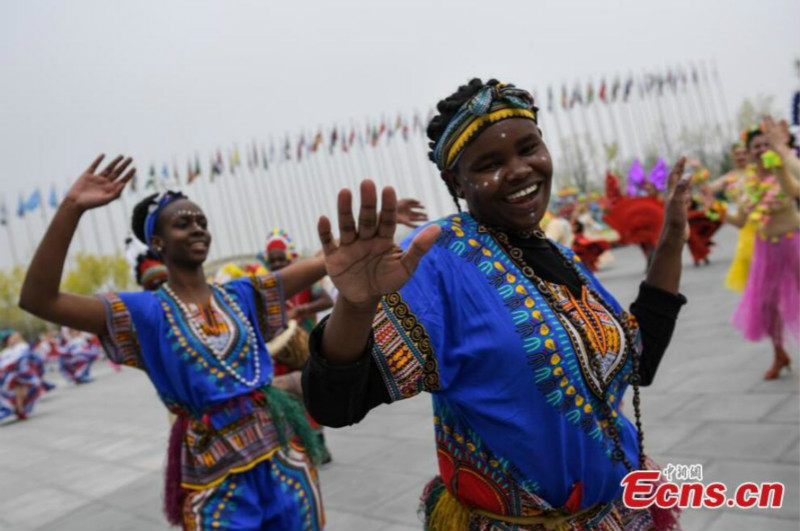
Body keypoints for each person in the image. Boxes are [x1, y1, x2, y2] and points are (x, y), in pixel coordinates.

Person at [303, 79, 689, 531]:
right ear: (456, 183)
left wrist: (671, 243)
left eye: (529, 149)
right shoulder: (437, 260)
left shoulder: (556, 253)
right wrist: (356, 305)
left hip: (623, 514)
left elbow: (635, 365)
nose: (520, 169)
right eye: (490, 163)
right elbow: (333, 405)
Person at [19, 154, 328, 530]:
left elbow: (326, 260)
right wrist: (72, 208)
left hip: (283, 458)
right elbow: (39, 299)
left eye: (202, 221)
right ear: (158, 242)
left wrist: (378, 235)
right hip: (215, 475)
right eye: (183, 224)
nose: (197, 229)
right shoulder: (144, 312)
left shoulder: (241, 294)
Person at [731, 119, 800, 380]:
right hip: (765, 251)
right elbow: (740, 221)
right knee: (766, 306)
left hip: (793, 243)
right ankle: (780, 353)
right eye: (755, 146)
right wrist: (713, 210)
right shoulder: (746, 183)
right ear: (749, 153)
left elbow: (794, 191)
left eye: (764, 144)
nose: (760, 149)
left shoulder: (783, 168)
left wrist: (779, 164)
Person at [710, 143, 758, 291]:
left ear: (749, 154)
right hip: (745, 226)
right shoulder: (729, 178)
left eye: (744, 153)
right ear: (733, 157)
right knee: (749, 261)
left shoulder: (758, 172)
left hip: (765, 221)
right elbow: (708, 190)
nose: (741, 156)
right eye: (738, 154)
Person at [0, 331, 45, 422]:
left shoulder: (22, 347)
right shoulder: (5, 352)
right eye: (10, 339)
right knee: (17, 395)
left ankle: (21, 410)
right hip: (12, 376)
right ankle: (20, 411)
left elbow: (29, 357)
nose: (12, 340)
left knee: (24, 393)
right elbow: (3, 364)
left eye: (13, 338)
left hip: (24, 375)